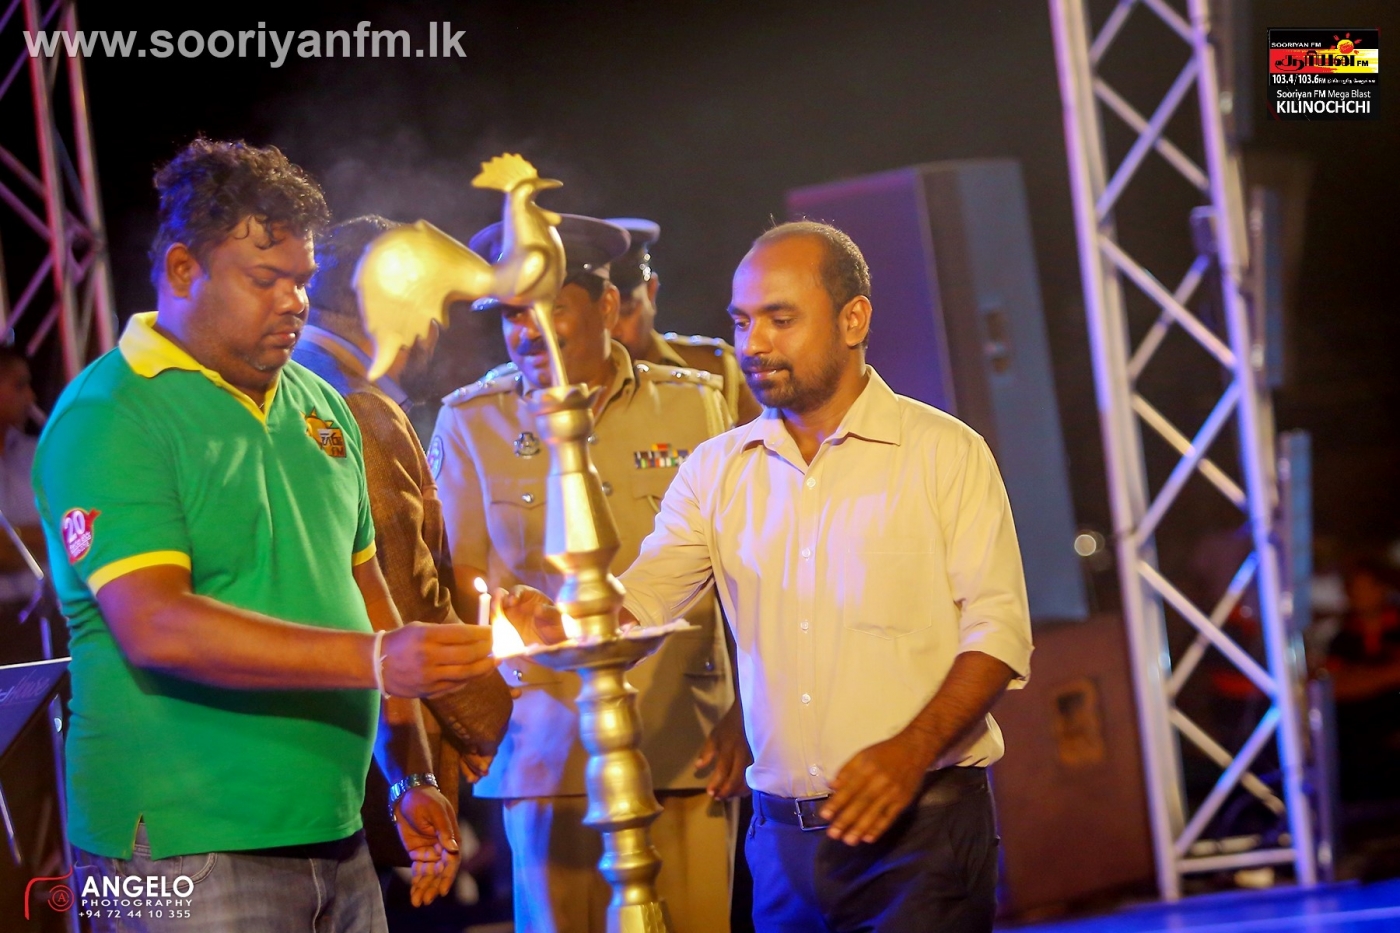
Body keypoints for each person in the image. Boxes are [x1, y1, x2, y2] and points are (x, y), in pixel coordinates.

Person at [31, 139, 528, 932]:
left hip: (336, 830)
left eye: (302, 280)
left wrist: (409, 777)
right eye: (266, 279)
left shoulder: (321, 406)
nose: (294, 301)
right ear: (184, 270)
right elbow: (156, 626)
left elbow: (368, 603)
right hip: (183, 845)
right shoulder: (111, 414)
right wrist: (376, 660)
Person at [618, 221, 1034, 933]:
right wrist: (558, 621)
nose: (753, 344)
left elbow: (999, 637)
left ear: (853, 319)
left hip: (922, 835)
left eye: (780, 319)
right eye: (742, 321)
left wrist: (911, 751)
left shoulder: (944, 452)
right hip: (781, 846)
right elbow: (641, 600)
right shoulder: (715, 470)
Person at [433, 214, 747, 933]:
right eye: (513, 314)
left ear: (607, 306)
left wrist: (745, 718)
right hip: (547, 748)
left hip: (687, 741)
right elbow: (459, 585)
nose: (528, 331)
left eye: (549, 308)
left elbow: (745, 574)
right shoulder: (472, 423)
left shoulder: (695, 404)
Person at [293, 214, 516, 899]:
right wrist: (485, 720)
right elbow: (404, 589)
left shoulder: (293, 384)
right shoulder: (356, 405)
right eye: (433, 307)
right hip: (381, 752)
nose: (435, 329)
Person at [608, 217, 762, 425]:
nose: (613, 331)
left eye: (626, 310)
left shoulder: (714, 369)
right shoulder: (570, 386)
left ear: (651, 292)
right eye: (602, 317)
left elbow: (762, 442)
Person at [1325, 558, 1400, 802]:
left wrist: (1362, 678)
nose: (1358, 595)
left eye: (1364, 588)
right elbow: (1337, 687)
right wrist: (1386, 675)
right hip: (1356, 742)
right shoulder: (1342, 639)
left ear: (1383, 589)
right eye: (1354, 589)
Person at [0, 346, 46, 659]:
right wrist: (44, 536)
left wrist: (13, 540)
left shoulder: (39, 453)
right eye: (19, 386)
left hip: (47, 615)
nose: (31, 397)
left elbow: (78, 534)